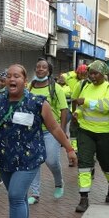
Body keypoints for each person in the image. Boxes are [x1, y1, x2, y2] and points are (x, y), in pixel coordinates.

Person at [0, 64, 76, 218]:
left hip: (28, 159)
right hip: (5, 158)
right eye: (9, 76)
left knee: (14, 196)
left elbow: (54, 128)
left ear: (25, 81)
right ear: (5, 81)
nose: (12, 79)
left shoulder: (38, 102)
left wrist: (69, 149)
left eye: (17, 76)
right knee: (20, 197)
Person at [72, 60, 109, 212]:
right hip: (85, 131)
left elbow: (105, 106)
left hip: (105, 133)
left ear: (104, 74)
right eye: (90, 73)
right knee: (84, 164)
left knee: (107, 165)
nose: (92, 76)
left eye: (95, 73)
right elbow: (82, 108)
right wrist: (77, 113)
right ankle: (84, 198)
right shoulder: (86, 87)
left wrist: (85, 101)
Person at [27, 58, 69, 204]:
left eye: (43, 67)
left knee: (51, 160)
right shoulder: (29, 87)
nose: (40, 69)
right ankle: (35, 193)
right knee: (34, 162)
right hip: (33, 131)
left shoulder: (55, 88)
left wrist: (62, 131)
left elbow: (64, 110)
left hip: (51, 131)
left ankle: (58, 182)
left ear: (49, 71)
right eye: (38, 67)